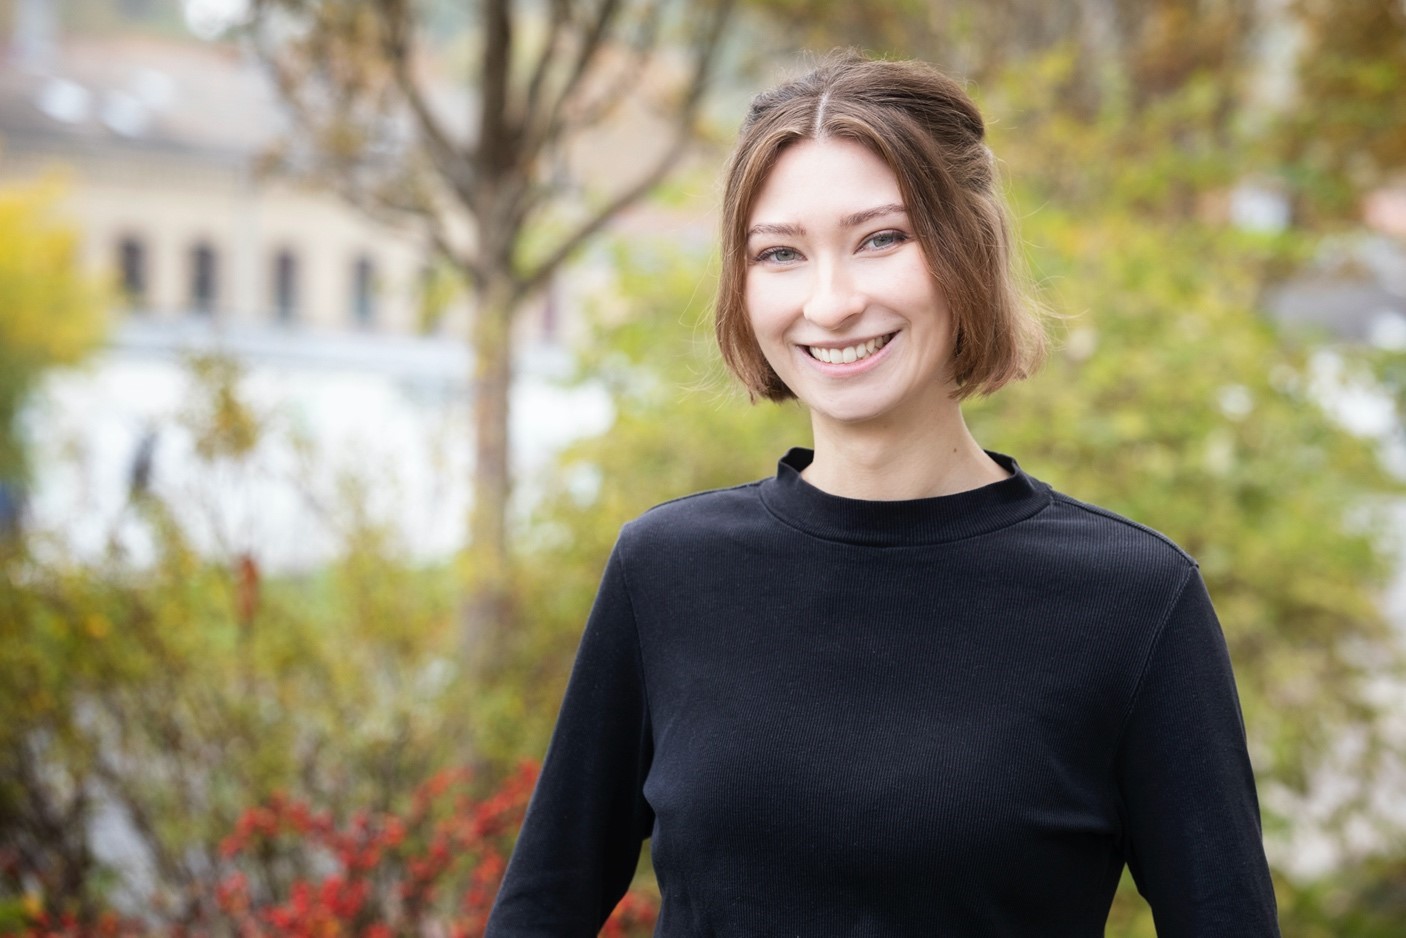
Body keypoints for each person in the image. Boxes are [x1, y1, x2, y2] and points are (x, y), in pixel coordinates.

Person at [486, 53, 1280, 936]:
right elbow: (540, 911)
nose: (830, 303)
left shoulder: (1135, 600)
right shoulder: (666, 570)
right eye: (780, 253)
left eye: (880, 239)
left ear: (969, 248)